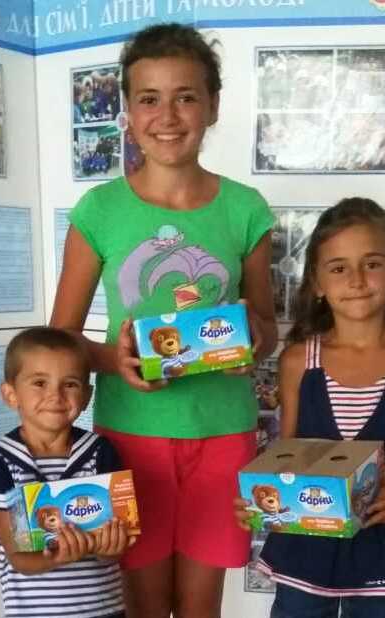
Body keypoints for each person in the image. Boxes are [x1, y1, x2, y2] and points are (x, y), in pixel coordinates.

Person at [50, 23, 277, 618]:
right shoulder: (99, 210)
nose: (168, 116)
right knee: (145, 608)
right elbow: (60, 340)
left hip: (223, 432)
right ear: (127, 112)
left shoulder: (245, 209)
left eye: (186, 96)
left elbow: (267, 328)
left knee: (201, 609)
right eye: (149, 98)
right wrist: (116, 361)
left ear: (213, 106)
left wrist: (253, 336)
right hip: (131, 435)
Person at [235, 198, 385, 618]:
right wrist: (260, 497)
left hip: (382, 550)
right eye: (338, 268)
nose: (356, 280)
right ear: (317, 283)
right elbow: (286, 457)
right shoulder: (299, 361)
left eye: (371, 264)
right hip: (303, 547)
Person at [0, 327, 134, 618]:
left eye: (70, 384)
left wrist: (109, 548)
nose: (55, 396)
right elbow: (19, 557)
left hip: (105, 610)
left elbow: (115, 548)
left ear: (86, 395)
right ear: (10, 394)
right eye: (39, 383)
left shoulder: (101, 452)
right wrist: (59, 556)